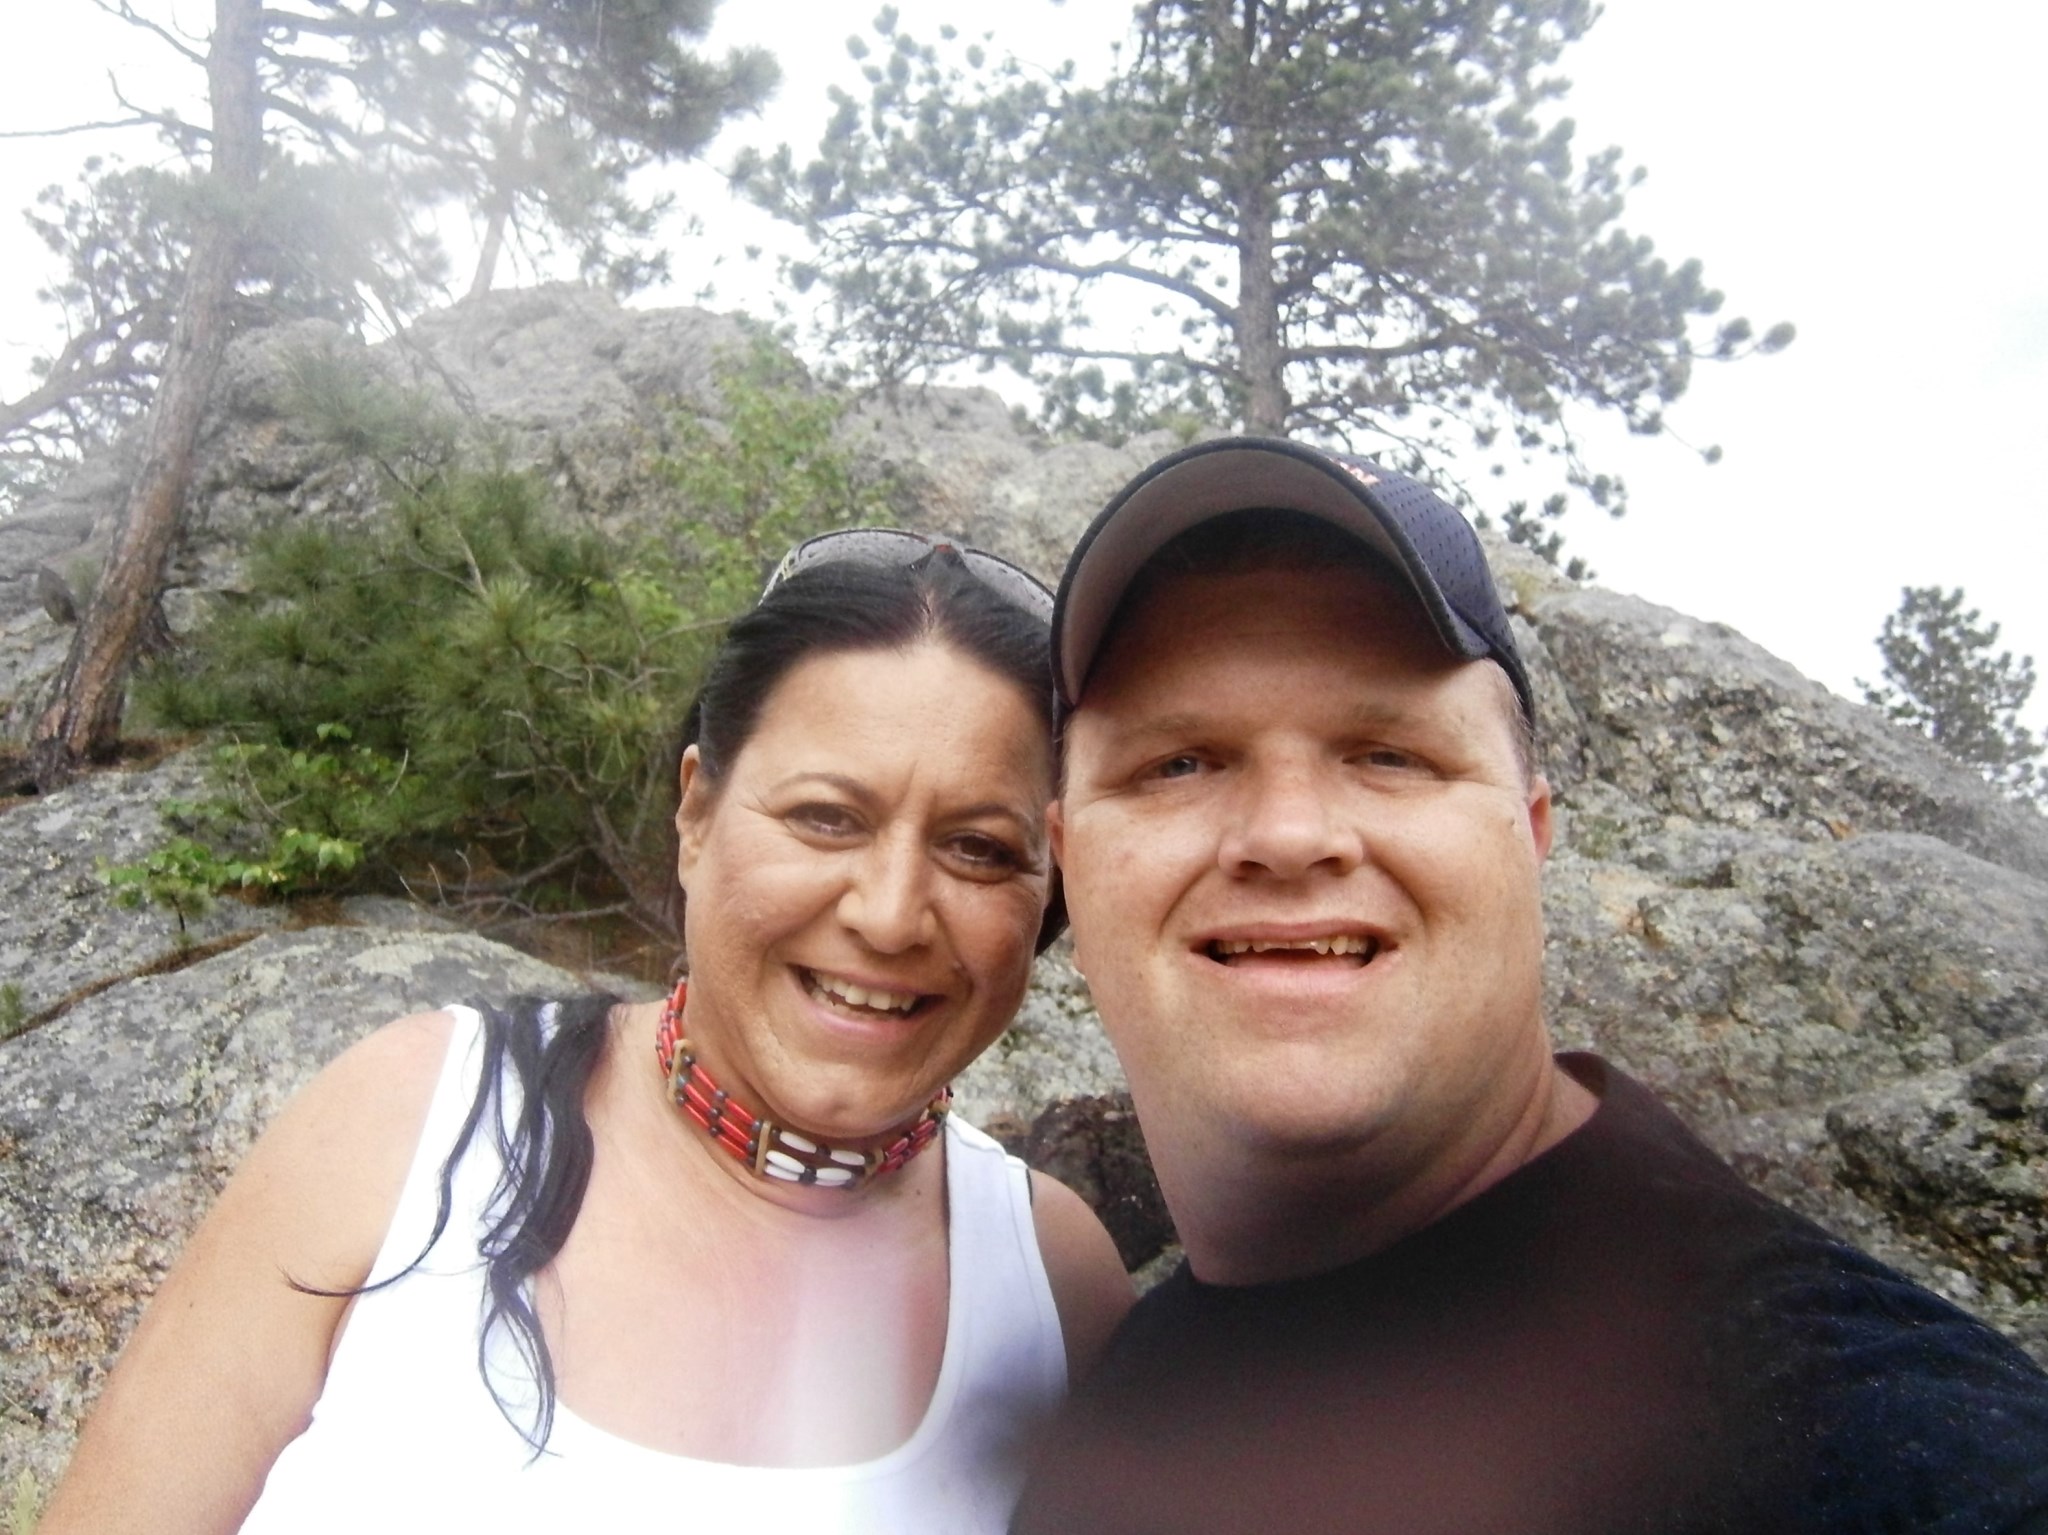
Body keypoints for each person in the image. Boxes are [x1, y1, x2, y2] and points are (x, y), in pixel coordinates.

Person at [1010, 438, 2048, 1534]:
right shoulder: (1101, 1398)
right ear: (1067, 866)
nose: (1288, 832)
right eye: (1177, 763)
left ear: (1531, 834)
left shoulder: (1889, 1439)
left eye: (1389, 753)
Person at [40, 529, 1132, 1535]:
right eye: (825, 817)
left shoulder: (1051, 1279)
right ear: (696, 811)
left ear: (1049, 888)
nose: (890, 914)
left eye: (979, 849)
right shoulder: (415, 1126)